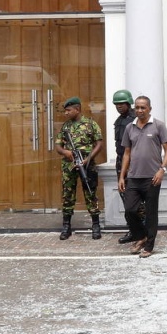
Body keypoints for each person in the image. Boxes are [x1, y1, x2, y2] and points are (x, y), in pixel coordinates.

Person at [118, 96, 167, 258]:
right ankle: (140, 236)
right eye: (137, 108)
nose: (140, 111)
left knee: (150, 212)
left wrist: (162, 169)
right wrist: (122, 176)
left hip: (152, 177)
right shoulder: (129, 128)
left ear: (149, 108)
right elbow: (126, 153)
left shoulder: (158, 125)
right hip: (133, 176)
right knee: (130, 210)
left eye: (143, 108)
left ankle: (149, 246)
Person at [54, 97, 104, 240]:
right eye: (65, 110)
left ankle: (95, 225)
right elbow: (58, 146)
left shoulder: (91, 124)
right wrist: (66, 152)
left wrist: (88, 160)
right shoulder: (65, 127)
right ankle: (66, 226)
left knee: (90, 192)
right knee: (67, 195)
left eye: (69, 110)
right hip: (69, 166)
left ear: (77, 109)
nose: (66, 113)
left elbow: (99, 145)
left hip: (87, 165)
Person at [111, 89, 141, 245]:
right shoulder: (119, 120)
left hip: (134, 162)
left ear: (128, 103)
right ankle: (133, 229)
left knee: (136, 199)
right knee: (126, 197)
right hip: (121, 161)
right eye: (116, 104)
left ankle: (140, 231)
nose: (118, 107)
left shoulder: (136, 119)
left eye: (121, 104)